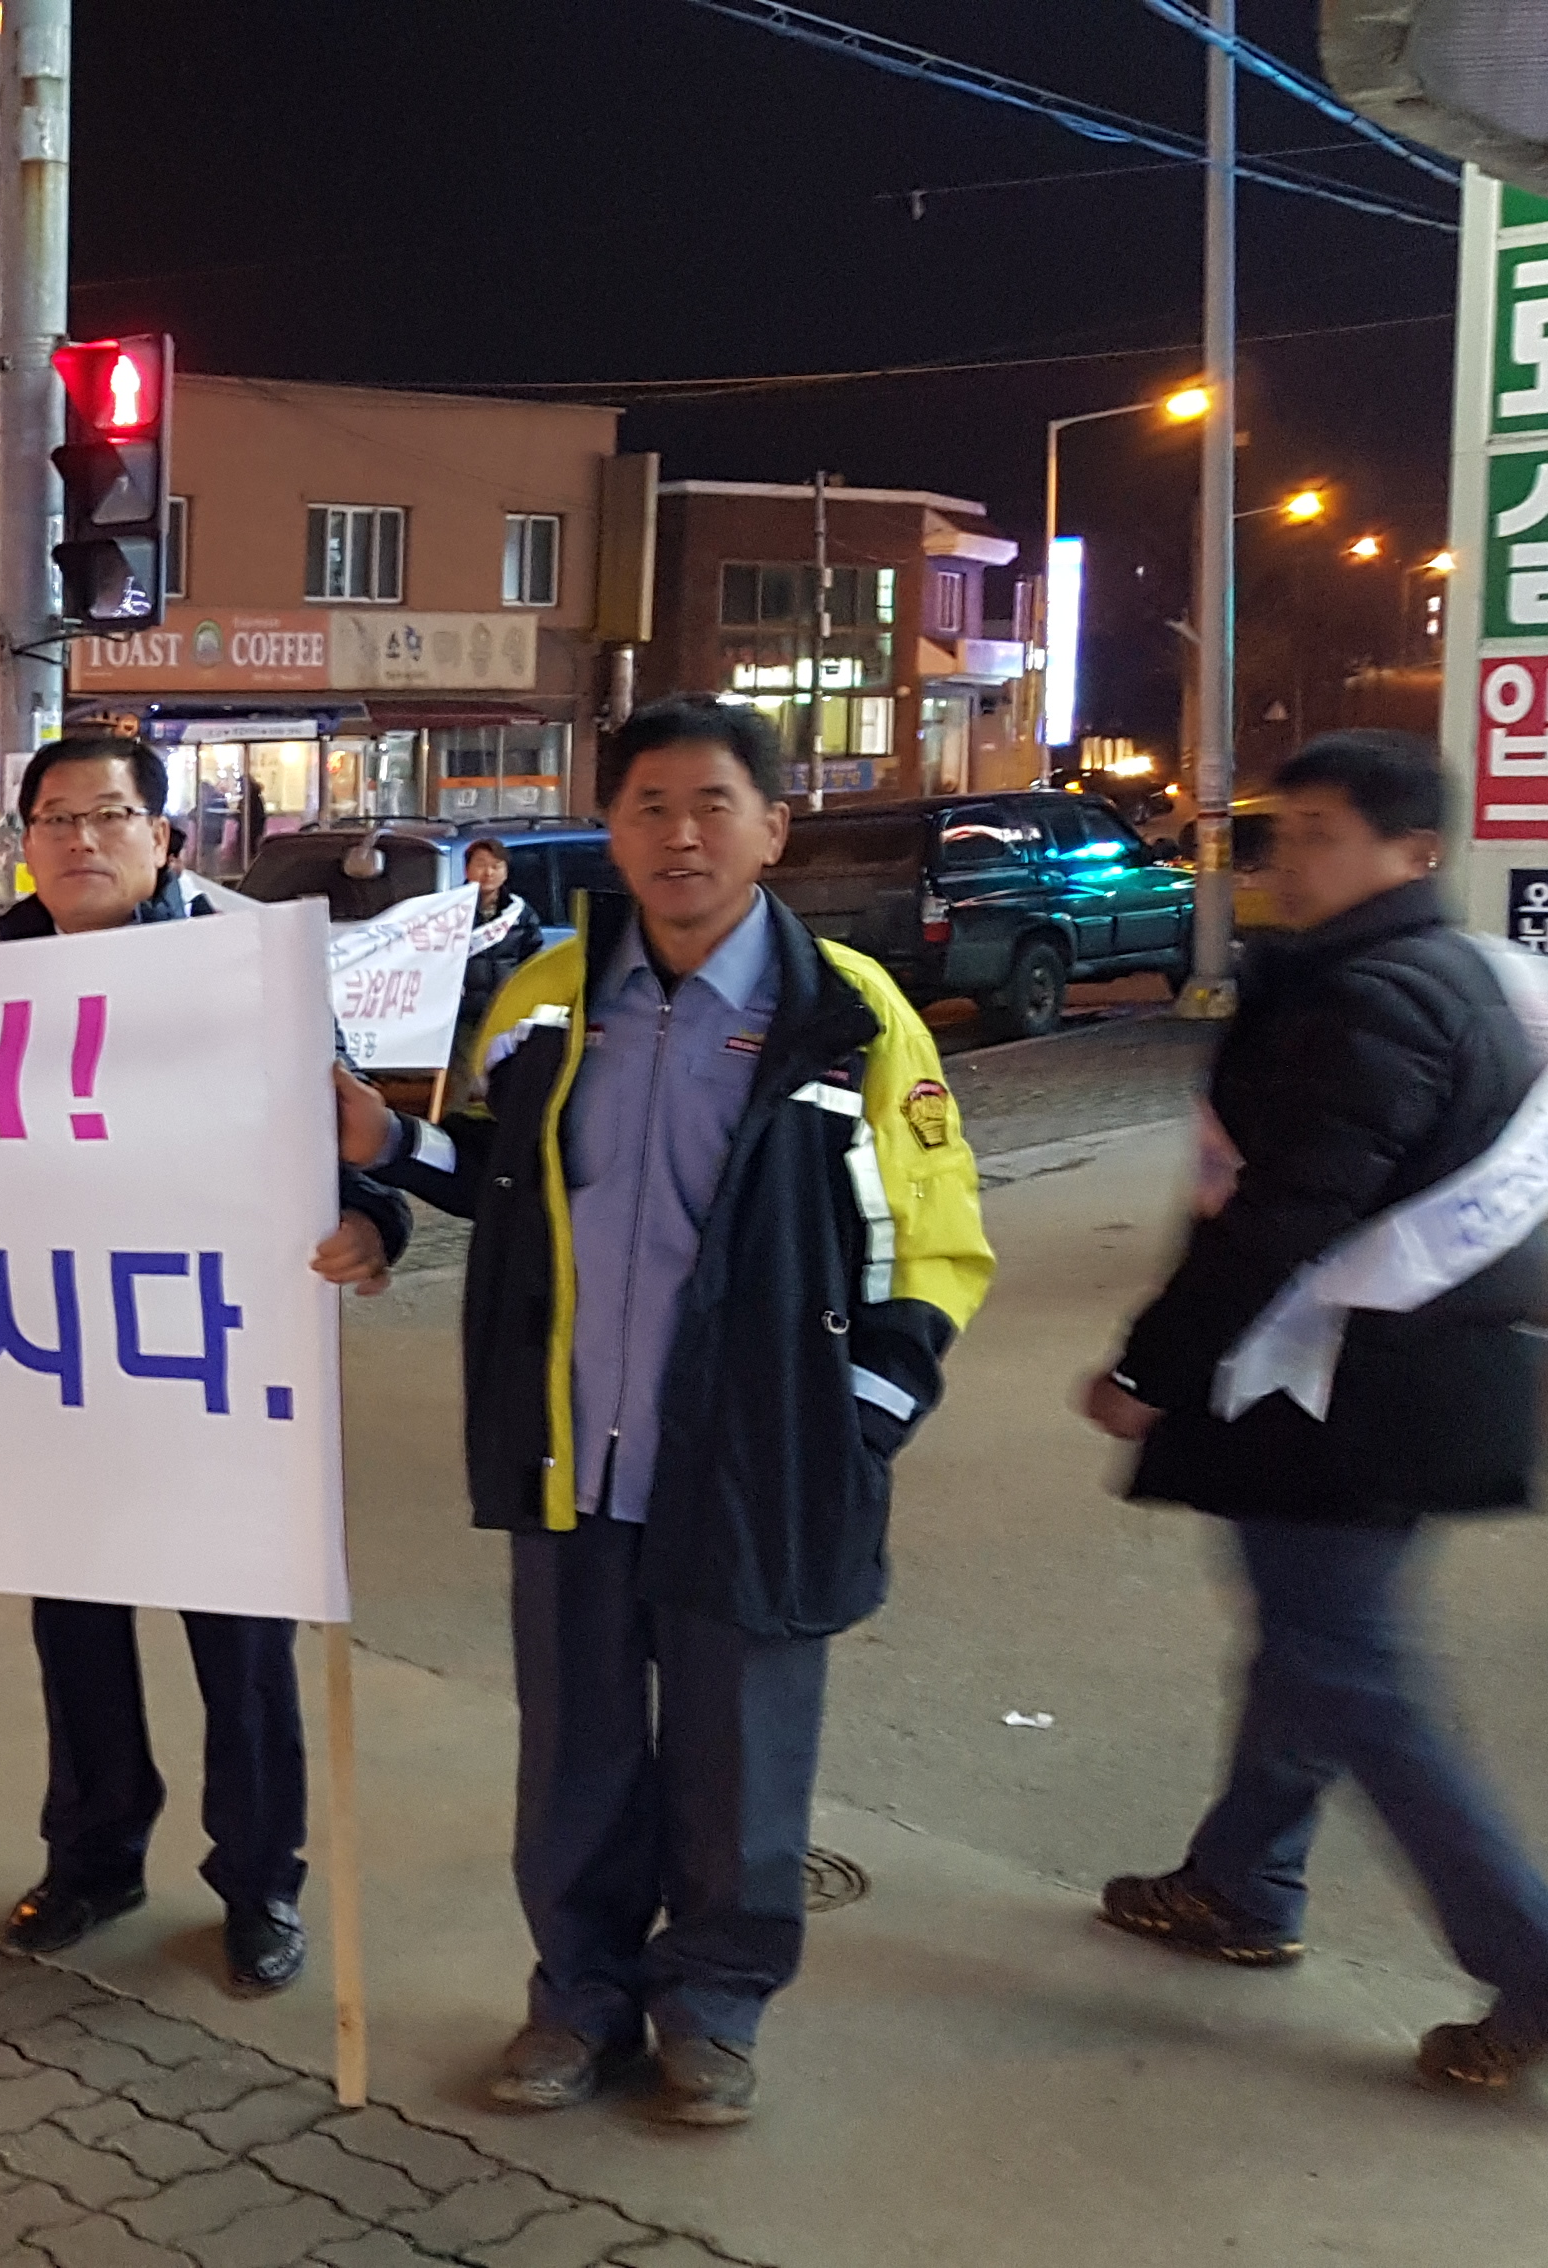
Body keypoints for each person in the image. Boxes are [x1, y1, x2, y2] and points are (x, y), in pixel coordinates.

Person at [340, 697, 992, 2126]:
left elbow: (931, 1246)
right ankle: (576, 1999)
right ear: (612, 829)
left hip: (758, 1462)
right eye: (648, 806)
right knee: (574, 1754)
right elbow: (502, 1175)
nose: (680, 834)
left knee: (739, 1761)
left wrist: (854, 1426)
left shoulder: (848, 1017)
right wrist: (390, 1142)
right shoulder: (547, 995)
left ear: (773, 828)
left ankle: (712, 2007)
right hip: (571, 1453)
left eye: (712, 805)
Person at [1078, 730, 1548, 2093]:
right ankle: (1242, 1881)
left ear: (1413, 853)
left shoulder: (1375, 998)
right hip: (1415, 1384)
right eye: (1285, 828)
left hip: (1344, 1396)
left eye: (1323, 833)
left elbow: (1281, 1217)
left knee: (1355, 1675)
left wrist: (1147, 1372)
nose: (1288, 856)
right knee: (1313, 1648)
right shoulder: (1451, 973)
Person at [0, 733, 411, 1998]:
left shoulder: (253, 970)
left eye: (108, 815)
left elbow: (342, 1133)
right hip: (58, 1361)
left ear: (164, 838)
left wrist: (372, 1222)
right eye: (54, 817)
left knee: (242, 1642)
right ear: (27, 843)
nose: (80, 839)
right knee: (76, 1629)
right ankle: (94, 1858)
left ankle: (260, 1882)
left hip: (218, 1362)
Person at [453, 834, 545, 1070]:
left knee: (502, 1070)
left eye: (496, 866)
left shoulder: (520, 913)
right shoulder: (451, 911)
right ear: (467, 869)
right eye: (481, 865)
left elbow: (532, 959)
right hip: (464, 1014)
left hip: (505, 1009)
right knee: (466, 1073)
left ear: (505, 872)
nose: (488, 873)